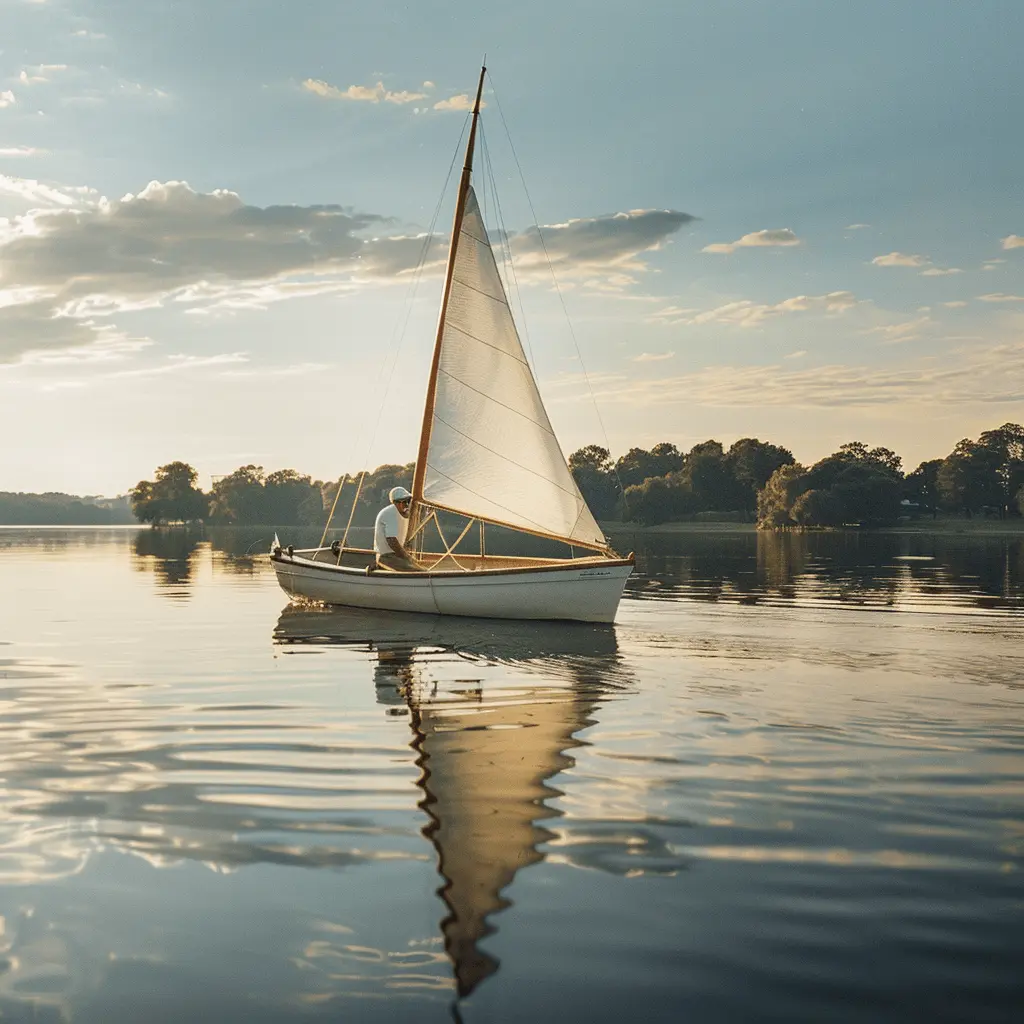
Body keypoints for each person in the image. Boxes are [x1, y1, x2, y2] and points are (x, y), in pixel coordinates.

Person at [373, 486, 421, 572]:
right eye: (404, 502)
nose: (407, 504)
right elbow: (392, 541)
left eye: (408, 501)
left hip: (395, 555)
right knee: (419, 571)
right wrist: (407, 557)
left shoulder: (401, 513)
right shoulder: (391, 513)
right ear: (395, 503)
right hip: (386, 557)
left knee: (420, 567)